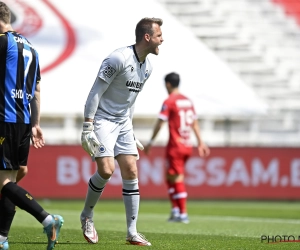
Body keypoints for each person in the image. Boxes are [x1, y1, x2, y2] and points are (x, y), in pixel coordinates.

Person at [80, 17, 163, 246]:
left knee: (131, 170)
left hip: (124, 122)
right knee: (107, 170)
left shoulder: (148, 67)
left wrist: (131, 128)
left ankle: (132, 232)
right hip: (103, 119)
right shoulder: (118, 58)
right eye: (159, 36)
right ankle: (87, 215)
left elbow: (131, 100)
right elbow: (95, 92)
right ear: (147, 37)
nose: (162, 40)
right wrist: (88, 125)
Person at [0, 2, 64, 249]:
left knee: (5, 183)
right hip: (24, 121)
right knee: (11, 179)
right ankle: (3, 237)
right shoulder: (31, 47)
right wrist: (36, 123)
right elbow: (36, 88)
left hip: (4, 119)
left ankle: (47, 219)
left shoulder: (3, 43)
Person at [144, 72, 210, 223]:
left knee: (177, 177)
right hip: (187, 144)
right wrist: (200, 142)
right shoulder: (188, 101)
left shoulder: (170, 101)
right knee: (169, 176)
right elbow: (194, 122)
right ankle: (175, 210)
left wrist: (150, 142)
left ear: (168, 84)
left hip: (175, 145)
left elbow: (160, 122)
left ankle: (183, 213)